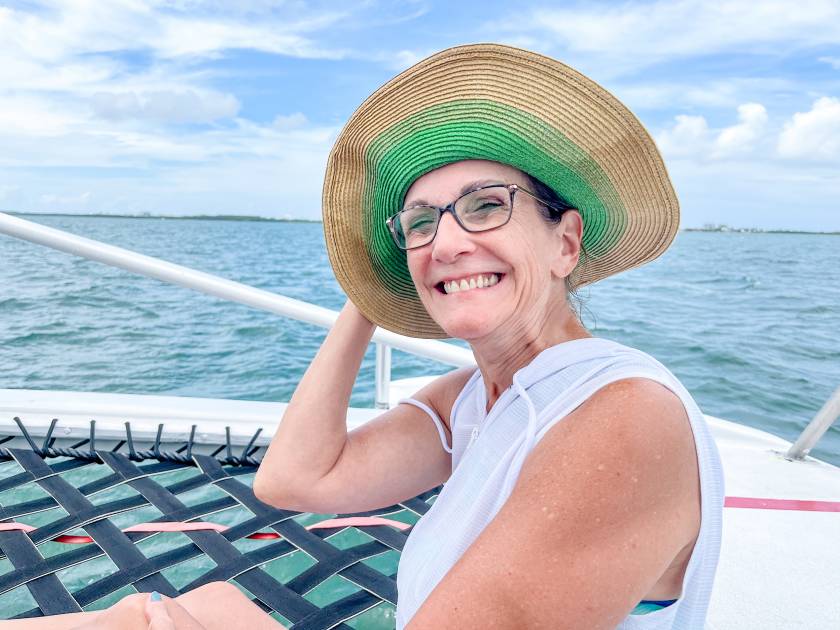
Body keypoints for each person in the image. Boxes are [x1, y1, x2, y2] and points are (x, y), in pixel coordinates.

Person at [14, 43, 723, 629]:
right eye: (421, 224)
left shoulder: (622, 417)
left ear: (565, 242)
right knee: (194, 608)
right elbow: (295, 480)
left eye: (485, 207)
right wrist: (368, 292)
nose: (445, 243)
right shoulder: (478, 399)